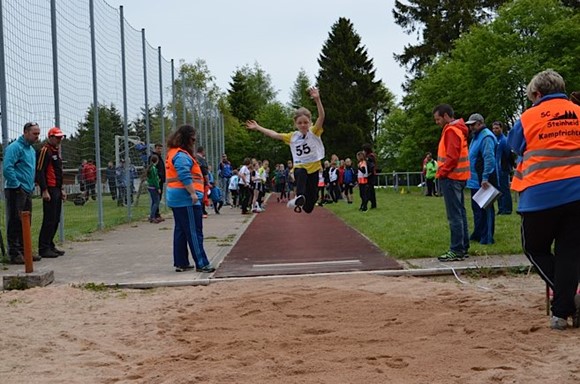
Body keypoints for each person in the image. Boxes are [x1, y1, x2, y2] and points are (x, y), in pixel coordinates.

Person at [507, 69, 580, 330]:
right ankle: (562, 310)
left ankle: (567, 301)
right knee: (569, 252)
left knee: (535, 248)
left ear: (537, 94)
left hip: (541, 194)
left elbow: (514, 146)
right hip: (578, 193)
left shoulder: (529, 117)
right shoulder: (578, 112)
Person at [246, 86, 325, 214]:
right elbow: (274, 134)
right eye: (300, 123)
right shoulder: (292, 137)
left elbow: (321, 117)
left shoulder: (314, 132)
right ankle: (299, 196)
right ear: (295, 124)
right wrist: (258, 127)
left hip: (314, 170)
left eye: (305, 122)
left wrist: (317, 100)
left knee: (309, 207)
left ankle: (303, 202)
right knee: (300, 171)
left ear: (310, 122)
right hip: (300, 167)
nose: (303, 125)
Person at [165, 124, 215, 273]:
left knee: (181, 230)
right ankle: (202, 263)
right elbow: (184, 174)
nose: (194, 142)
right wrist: (193, 193)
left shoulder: (173, 152)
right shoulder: (181, 155)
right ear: (187, 139)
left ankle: (181, 262)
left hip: (177, 197)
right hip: (186, 197)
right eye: (193, 139)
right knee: (194, 231)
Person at [433, 104, 470, 262]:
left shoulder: (451, 130)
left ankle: (456, 249)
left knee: (454, 215)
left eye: (438, 119)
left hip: (451, 177)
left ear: (446, 116)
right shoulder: (459, 129)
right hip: (460, 176)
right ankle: (463, 246)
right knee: (460, 213)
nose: (437, 122)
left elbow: (452, 157)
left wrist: (441, 172)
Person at [3, 122, 41, 264]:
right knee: (15, 220)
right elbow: (7, 168)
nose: (37, 137)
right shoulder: (15, 148)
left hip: (27, 189)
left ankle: (26, 251)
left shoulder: (31, 150)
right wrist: (16, 185)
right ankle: (14, 252)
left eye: (38, 134)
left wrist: (31, 183)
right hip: (16, 190)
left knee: (26, 221)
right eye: (34, 133)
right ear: (25, 132)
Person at [465, 113, 498, 245]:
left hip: (483, 180)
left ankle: (487, 237)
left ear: (480, 123)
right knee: (477, 210)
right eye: (470, 125)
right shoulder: (476, 137)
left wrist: (485, 178)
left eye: (473, 124)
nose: (471, 127)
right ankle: (478, 233)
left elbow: (489, 159)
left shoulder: (486, 137)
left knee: (486, 209)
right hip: (474, 180)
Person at [36, 127, 67, 258]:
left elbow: (58, 172)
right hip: (49, 188)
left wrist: (61, 189)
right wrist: (44, 190)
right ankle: (43, 248)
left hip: (56, 189)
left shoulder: (56, 151)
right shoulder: (45, 150)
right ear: (51, 137)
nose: (60, 140)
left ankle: (50, 245)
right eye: (57, 137)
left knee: (55, 219)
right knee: (49, 219)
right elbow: (40, 171)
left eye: (61, 137)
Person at [492, 121, 513, 215]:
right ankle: (501, 208)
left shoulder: (504, 140)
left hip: (503, 168)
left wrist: (509, 167)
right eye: (494, 128)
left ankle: (507, 209)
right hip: (496, 169)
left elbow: (509, 155)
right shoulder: (493, 139)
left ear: (501, 128)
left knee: (505, 189)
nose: (495, 130)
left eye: (497, 128)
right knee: (498, 189)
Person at [151, 144, 166, 220]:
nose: (159, 150)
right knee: (156, 199)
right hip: (157, 181)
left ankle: (156, 214)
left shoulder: (159, 157)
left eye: (160, 148)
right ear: (155, 148)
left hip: (160, 180)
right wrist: (159, 177)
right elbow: (153, 169)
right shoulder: (154, 157)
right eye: (158, 148)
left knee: (158, 199)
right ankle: (154, 215)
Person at [146, 154, 162, 223]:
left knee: (153, 201)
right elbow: (155, 179)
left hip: (150, 186)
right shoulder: (154, 169)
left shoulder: (150, 168)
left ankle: (151, 215)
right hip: (153, 187)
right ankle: (152, 216)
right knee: (156, 202)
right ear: (157, 161)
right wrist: (158, 187)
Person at [362, 143, 378, 209]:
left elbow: (371, 167)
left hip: (370, 175)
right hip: (372, 175)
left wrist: (368, 174)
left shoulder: (369, 157)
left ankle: (366, 204)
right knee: (371, 190)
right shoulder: (372, 156)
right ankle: (373, 204)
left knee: (369, 190)